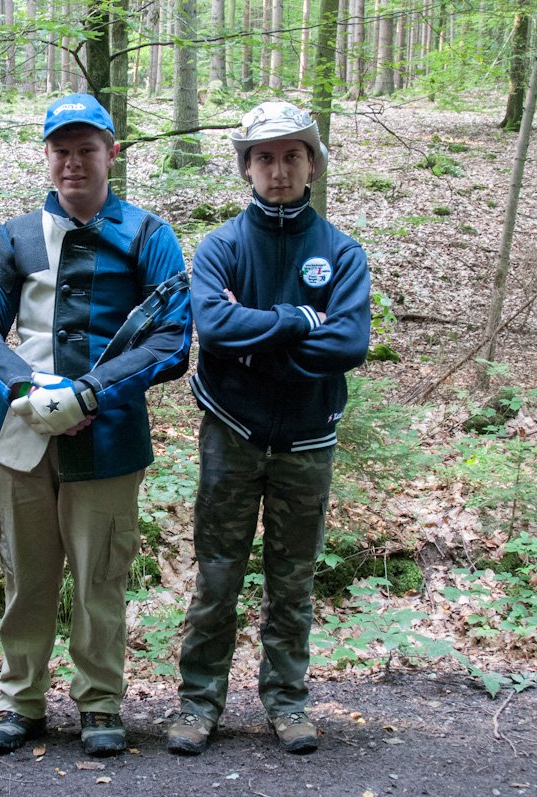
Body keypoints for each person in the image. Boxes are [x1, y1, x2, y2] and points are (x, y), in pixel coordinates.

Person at [0, 94, 192, 757]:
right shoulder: (16, 236)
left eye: (86, 149)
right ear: (47, 155)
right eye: (60, 150)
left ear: (111, 153)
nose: (72, 163)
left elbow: (173, 339)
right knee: (25, 575)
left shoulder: (147, 236)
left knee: (100, 578)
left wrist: (92, 392)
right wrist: (22, 387)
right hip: (22, 435)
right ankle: (20, 702)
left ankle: (99, 704)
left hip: (109, 435)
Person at [167, 101, 371, 756]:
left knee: (293, 579)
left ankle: (287, 700)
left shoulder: (341, 253)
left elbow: (349, 343)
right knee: (217, 575)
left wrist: (255, 344)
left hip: (307, 438)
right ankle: (198, 703)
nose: (278, 170)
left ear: (313, 164)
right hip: (231, 431)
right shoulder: (222, 247)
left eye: (291, 156)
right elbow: (213, 327)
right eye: (264, 158)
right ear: (247, 168)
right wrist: (299, 321)